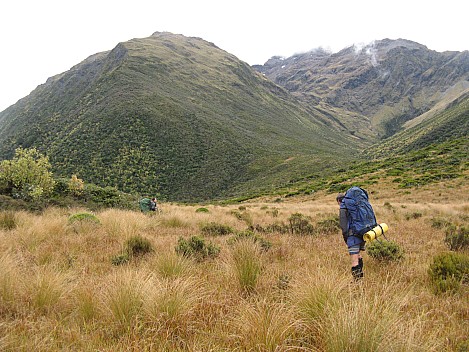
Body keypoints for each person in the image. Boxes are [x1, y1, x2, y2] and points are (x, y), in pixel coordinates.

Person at [337, 192, 365, 280]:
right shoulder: (355, 206)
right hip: (362, 233)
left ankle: (358, 282)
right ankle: (360, 276)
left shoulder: (343, 208)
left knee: (354, 260)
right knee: (358, 255)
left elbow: (344, 227)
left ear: (338, 201)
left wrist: (346, 239)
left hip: (352, 236)